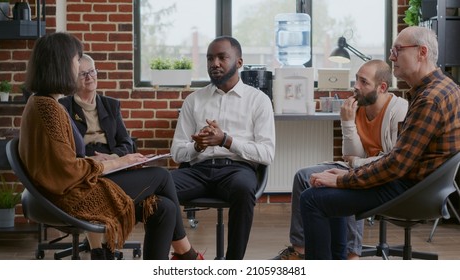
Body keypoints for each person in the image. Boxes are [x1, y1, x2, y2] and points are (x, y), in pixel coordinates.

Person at [19, 32, 202, 260]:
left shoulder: (41, 103)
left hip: (69, 190)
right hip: (71, 197)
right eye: (77, 61)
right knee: (162, 176)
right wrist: (119, 161)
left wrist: (98, 161)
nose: (79, 68)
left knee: (164, 207)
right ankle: (186, 253)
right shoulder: (49, 109)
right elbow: (65, 171)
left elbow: (62, 161)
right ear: (61, 64)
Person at [300, 26, 460, 260]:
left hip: (410, 189)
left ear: (421, 52)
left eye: (398, 50)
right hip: (418, 184)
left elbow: (396, 165)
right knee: (325, 190)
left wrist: (344, 180)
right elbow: (399, 158)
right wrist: (350, 174)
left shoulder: (429, 99)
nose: (391, 56)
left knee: (312, 199)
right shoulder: (446, 87)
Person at [273, 59, 409, 260]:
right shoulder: (360, 107)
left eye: (364, 82)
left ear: (382, 88)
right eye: (356, 80)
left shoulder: (398, 109)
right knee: (304, 176)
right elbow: (351, 154)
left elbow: (389, 160)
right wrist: (347, 121)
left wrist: (355, 164)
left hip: (380, 174)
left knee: (347, 182)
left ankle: (351, 254)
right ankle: (300, 250)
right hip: (359, 164)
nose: (356, 86)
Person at [170, 36, 275, 260]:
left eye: (221, 57)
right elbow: (177, 152)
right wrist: (197, 146)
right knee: (159, 188)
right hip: (198, 170)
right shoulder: (194, 100)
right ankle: (186, 253)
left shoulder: (259, 100)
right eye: (210, 58)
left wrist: (226, 140)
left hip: (236, 170)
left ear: (239, 62)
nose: (214, 63)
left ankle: (232, 264)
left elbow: (267, 153)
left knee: (244, 189)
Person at [59, 54, 134, 160]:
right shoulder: (63, 106)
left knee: (158, 173)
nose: (89, 77)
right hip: (83, 163)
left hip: (111, 160)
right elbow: (62, 149)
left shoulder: (111, 105)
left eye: (92, 71)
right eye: (83, 74)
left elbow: (126, 143)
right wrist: (90, 160)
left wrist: (112, 157)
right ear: (73, 78)